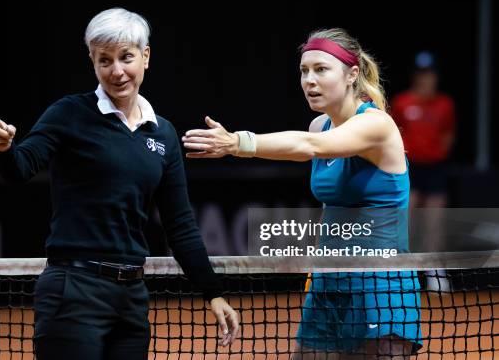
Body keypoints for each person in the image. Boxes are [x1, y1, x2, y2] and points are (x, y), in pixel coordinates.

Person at [0, 7, 239, 360]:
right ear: (93, 61)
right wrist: (5, 149)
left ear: (145, 57)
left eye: (126, 57)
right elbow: (20, 169)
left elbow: (180, 224)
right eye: (105, 60)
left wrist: (213, 292)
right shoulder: (69, 114)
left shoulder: (162, 134)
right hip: (74, 290)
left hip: (131, 299)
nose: (117, 71)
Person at [182, 28, 421, 359]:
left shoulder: (376, 125)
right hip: (330, 278)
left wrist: (238, 142)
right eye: (304, 71)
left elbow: (311, 147)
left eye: (321, 70)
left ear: (352, 74)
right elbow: (331, 203)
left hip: (379, 282)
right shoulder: (319, 124)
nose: (310, 80)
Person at [391, 53, 455, 292]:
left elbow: (448, 135)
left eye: (429, 74)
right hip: (410, 169)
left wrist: (436, 153)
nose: (425, 79)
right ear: (415, 77)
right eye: (421, 74)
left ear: (435, 77)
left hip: (435, 169)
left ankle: (435, 273)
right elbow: (393, 132)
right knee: (407, 220)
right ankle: (402, 271)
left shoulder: (445, 104)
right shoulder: (402, 102)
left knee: (434, 222)